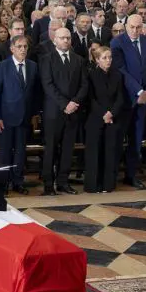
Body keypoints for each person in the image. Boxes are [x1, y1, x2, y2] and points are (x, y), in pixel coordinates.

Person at [111, 14, 146, 188]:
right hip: (125, 100)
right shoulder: (117, 43)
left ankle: (131, 175)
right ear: (126, 26)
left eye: (138, 27)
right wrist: (139, 91)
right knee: (117, 139)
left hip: (143, 100)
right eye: (132, 27)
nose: (135, 30)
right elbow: (121, 70)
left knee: (136, 140)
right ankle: (112, 176)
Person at [40, 27, 88, 195]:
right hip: (54, 112)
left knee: (68, 149)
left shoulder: (79, 60)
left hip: (73, 111)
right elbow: (47, 85)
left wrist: (74, 102)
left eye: (68, 38)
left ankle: (63, 182)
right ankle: (48, 184)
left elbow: (84, 85)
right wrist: (64, 104)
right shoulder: (47, 59)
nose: (66, 40)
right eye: (62, 38)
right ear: (55, 40)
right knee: (51, 149)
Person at [0, 34, 39, 194]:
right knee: (5, 152)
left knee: (20, 152)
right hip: (5, 117)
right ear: (12, 49)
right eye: (19, 46)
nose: (23, 49)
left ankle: (18, 182)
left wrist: (34, 114)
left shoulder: (33, 66)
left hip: (24, 117)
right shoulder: (2, 66)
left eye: (25, 46)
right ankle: (3, 183)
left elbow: (35, 93)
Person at [84, 46, 124, 193]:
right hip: (96, 118)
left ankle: (108, 184)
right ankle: (93, 185)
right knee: (95, 152)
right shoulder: (91, 75)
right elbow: (91, 99)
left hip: (112, 119)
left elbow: (120, 98)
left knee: (110, 152)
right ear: (97, 60)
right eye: (104, 58)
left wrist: (111, 113)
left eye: (110, 57)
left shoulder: (117, 75)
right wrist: (103, 114)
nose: (108, 60)